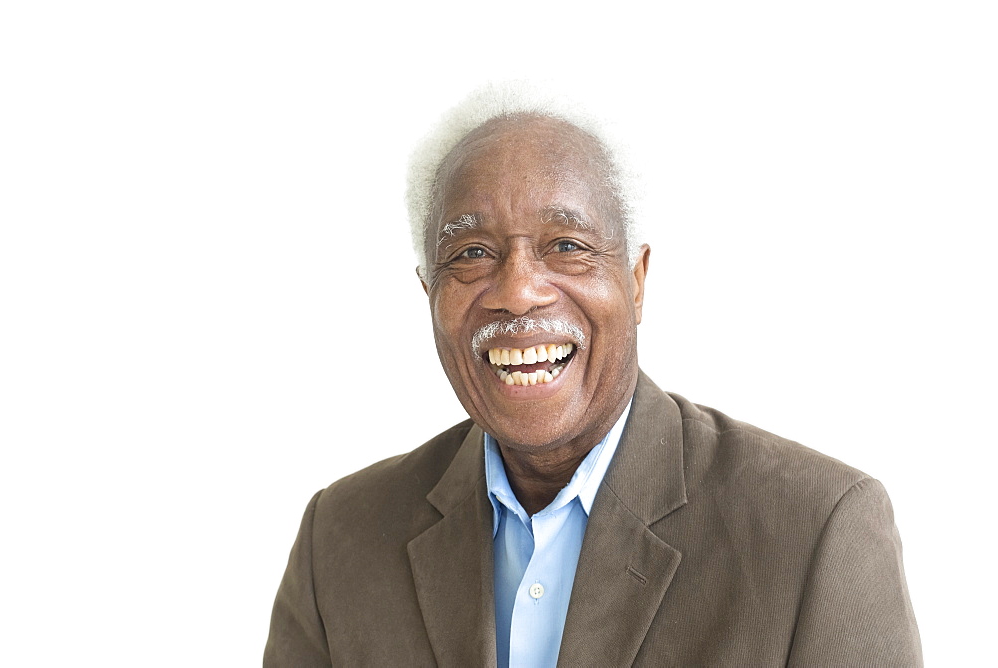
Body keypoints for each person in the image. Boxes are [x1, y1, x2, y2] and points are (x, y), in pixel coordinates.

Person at [264, 84, 921, 666]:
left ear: (635, 282)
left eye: (568, 245)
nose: (518, 291)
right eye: (470, 253)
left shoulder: (816, 531)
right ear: (428, 293)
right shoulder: (342, 538)